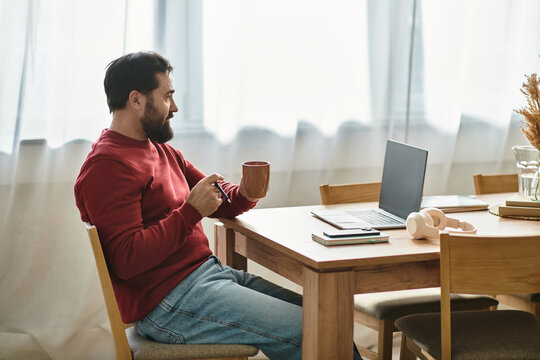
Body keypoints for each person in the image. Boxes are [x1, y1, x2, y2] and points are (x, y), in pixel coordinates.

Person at [74, 51, 362, 360]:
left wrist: (244, 193)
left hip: (205, 277)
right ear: (136, 100)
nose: (175, 107)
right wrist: (190, 212)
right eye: (167, 96)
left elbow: (215, 195)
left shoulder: (158, 150)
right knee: (308, 330)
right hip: (168, 304)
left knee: (327, 319)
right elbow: (127, 259)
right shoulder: (108, 166)